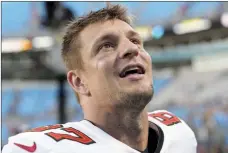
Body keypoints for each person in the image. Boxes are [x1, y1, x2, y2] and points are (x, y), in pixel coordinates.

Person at [2, 4, 197, 153]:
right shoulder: (41, 148)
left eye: (136, 40)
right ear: (79, 82)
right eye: (106, 46)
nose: (132, 49)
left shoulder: (179, 134)